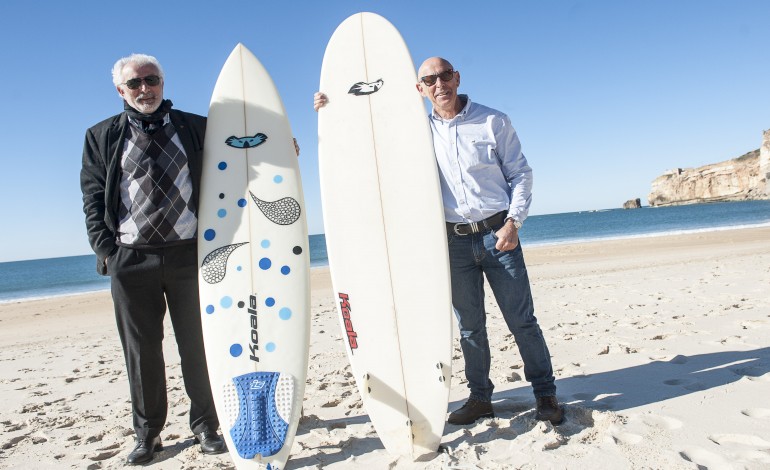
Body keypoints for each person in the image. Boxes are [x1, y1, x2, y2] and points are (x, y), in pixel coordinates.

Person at [313, 56, 563, 426]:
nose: (438, 84)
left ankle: (545, 395)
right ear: (420, 89)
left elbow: (521, 174)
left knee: (522, 321)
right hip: (453, 244)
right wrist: (332, 108)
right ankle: (480, 399)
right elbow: (364, 142)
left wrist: (513, 222)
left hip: (499, 235)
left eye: (444, 76)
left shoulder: (493, 120)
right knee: (470, 328)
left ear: (457, 78)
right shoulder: (414, 132)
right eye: (429, 80)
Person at [80, 53, 226, 465]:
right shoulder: (101, 136)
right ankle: (148, 434)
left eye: (152, 80)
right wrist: (108, 252)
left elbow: (241, 158)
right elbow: (92, 198)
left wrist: (283, 144)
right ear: (120, 91)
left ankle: (205, 425)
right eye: (135, 84)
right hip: (132, 259)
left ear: (163, 82)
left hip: (189, 254)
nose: (145, 89)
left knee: (198, 345)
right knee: (142, 351)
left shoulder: (196, 127)